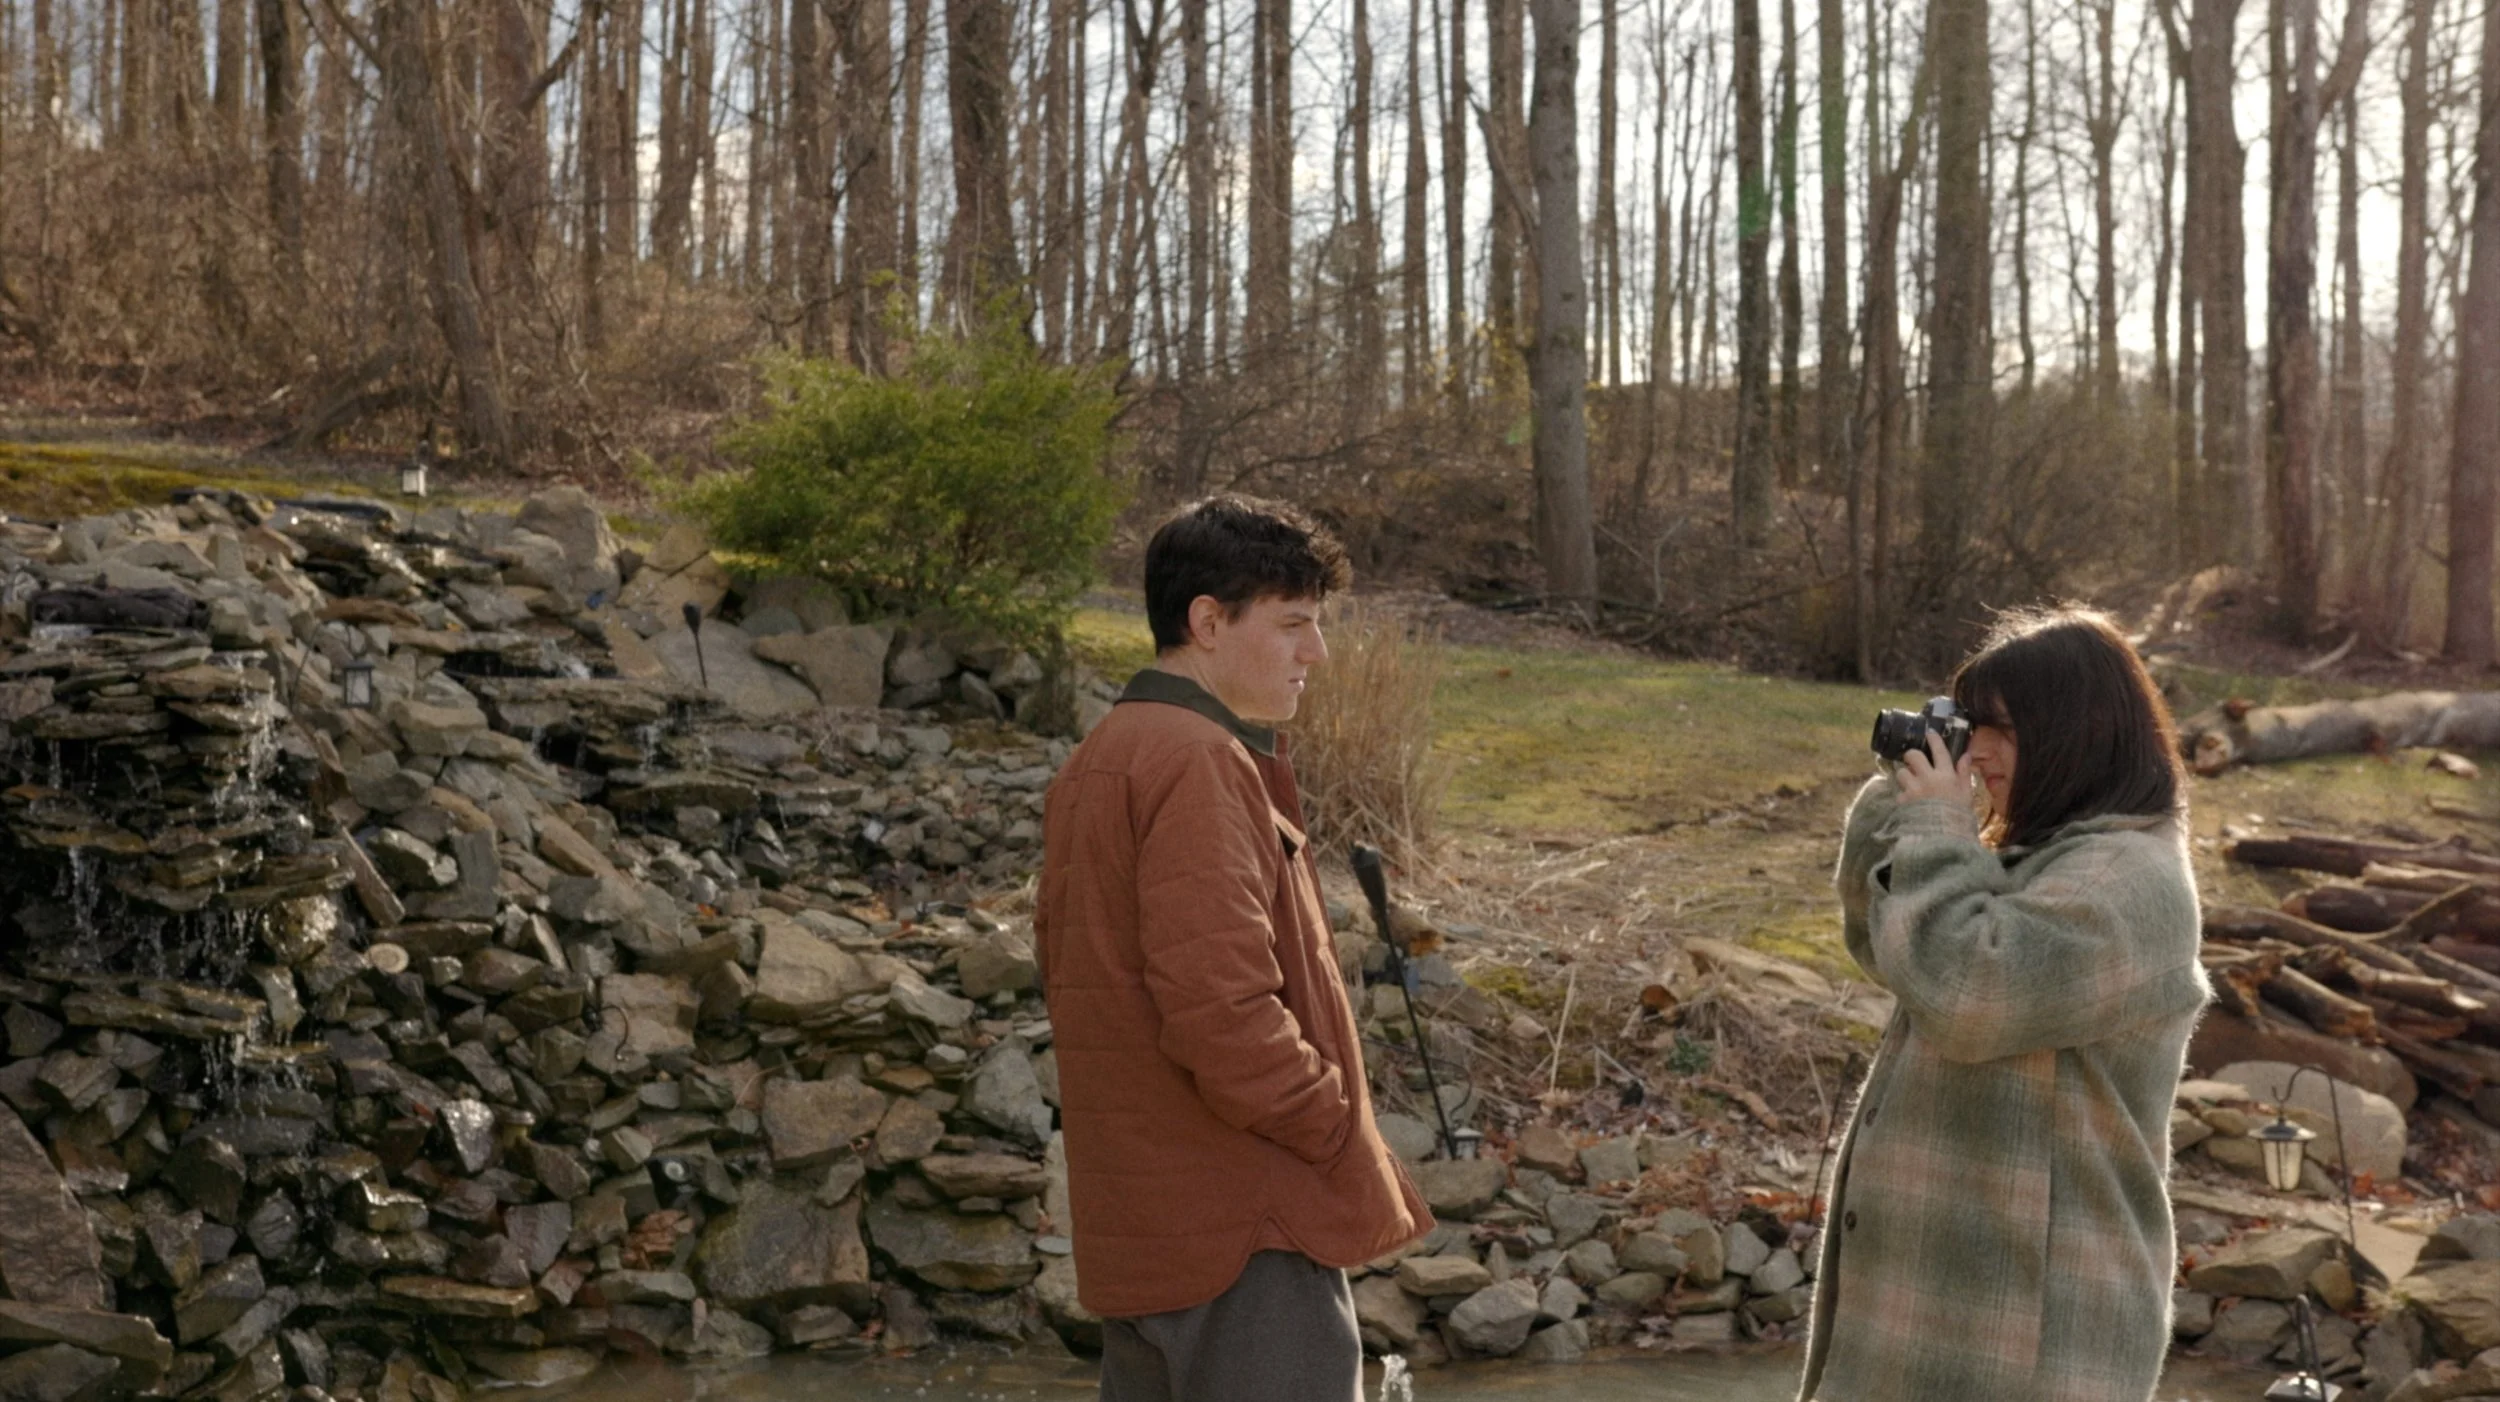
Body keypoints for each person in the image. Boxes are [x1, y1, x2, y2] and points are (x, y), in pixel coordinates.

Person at [1034, 495, 1430, 1402]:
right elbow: (1221, 1011)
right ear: (1207, 622)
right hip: (1244, 1240)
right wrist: (1336, 1126)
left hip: (1150, 1241)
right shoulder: (1198, 759)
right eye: (1293, 624)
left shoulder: (1102, 758)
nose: (1315, 653)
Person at [1797, 607, 2212, 1402]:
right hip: (1939, 1317)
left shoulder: (2128, 881)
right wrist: (1904, 800)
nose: (1978, 751)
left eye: (2003, 730)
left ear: (2078, 733)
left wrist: (1936, 825)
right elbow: (1894, 952)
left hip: (2027, 1344)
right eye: (1971, 726)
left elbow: (1967, 998)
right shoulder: (2047, 860)